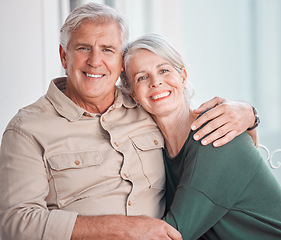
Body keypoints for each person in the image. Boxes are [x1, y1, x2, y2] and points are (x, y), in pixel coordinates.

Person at [0, 3, 258, 240]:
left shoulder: (145, 103)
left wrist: (249, 114)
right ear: (64, 56)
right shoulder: (27, 130)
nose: (95, 61)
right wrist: (121, 227)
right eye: (83, 48)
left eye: (107, 50)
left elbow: (192, 126)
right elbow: (15, 222)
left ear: (120, 61)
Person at [120, 33, 281, 239]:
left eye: (164, 70)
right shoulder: (157, 149)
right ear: (133, 94)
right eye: (142, 77)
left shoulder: (213, 135)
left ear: (183, 77)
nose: (156, 82)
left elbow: (172, 235)